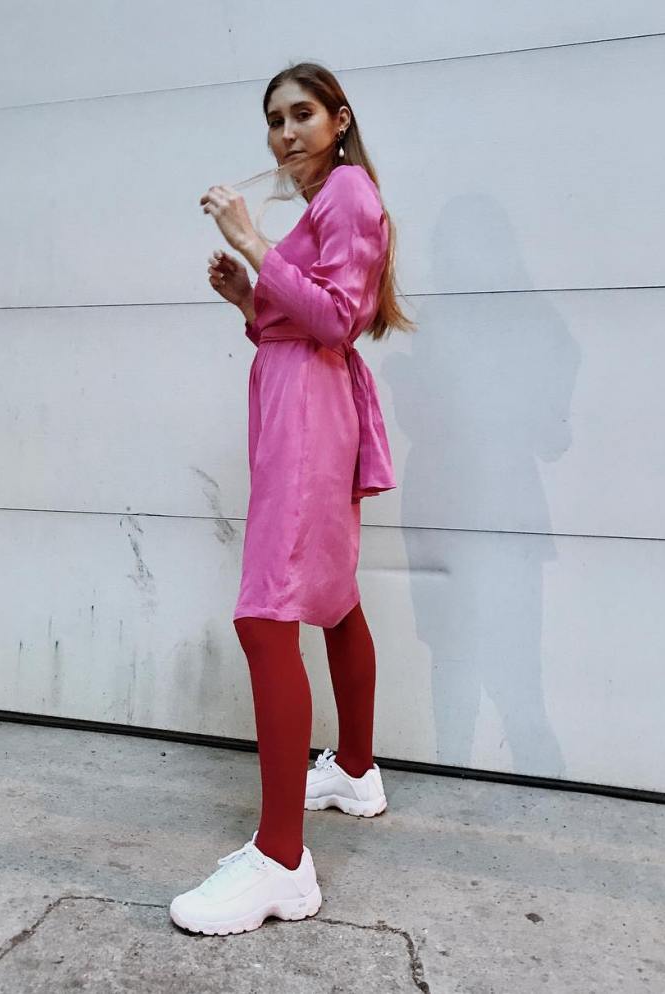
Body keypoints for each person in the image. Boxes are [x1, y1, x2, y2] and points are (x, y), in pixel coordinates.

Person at [171, 62, 416, 936]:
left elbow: (341, 320)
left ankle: (281, 862)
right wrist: (252, 298)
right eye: (273, 120)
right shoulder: (329, 203)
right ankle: (353, 770)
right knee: (332, 595)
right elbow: (305, 312)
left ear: (339, 119)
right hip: (295, 405)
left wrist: (253, 245)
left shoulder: (348, 189)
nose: (284, 133)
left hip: (310, 416)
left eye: (301, 113)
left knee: (265, 612)